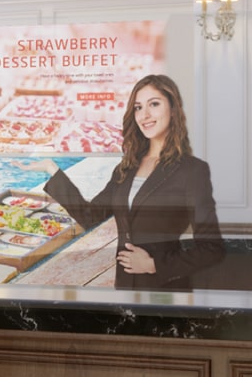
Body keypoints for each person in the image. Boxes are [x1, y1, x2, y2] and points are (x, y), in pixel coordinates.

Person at [17, 74, 225, 290]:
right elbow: (91, 216)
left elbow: (212, 249)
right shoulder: (127, 167)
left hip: (166, 291)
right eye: (138, 107)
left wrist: (154, 265)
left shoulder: (192, 171)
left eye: (154, 104)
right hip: (125, 288)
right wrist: (52, 169)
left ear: (173, 109)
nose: (145, 115)